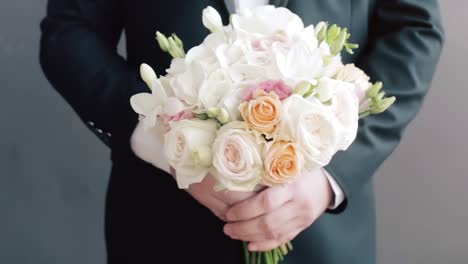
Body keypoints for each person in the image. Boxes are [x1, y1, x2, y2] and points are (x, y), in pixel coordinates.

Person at [39, 0, 444, 263]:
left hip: (326, 240)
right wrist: (167, 144)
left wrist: (329, 177)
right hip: (161, 229)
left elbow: (414, 27)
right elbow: (69, 30)